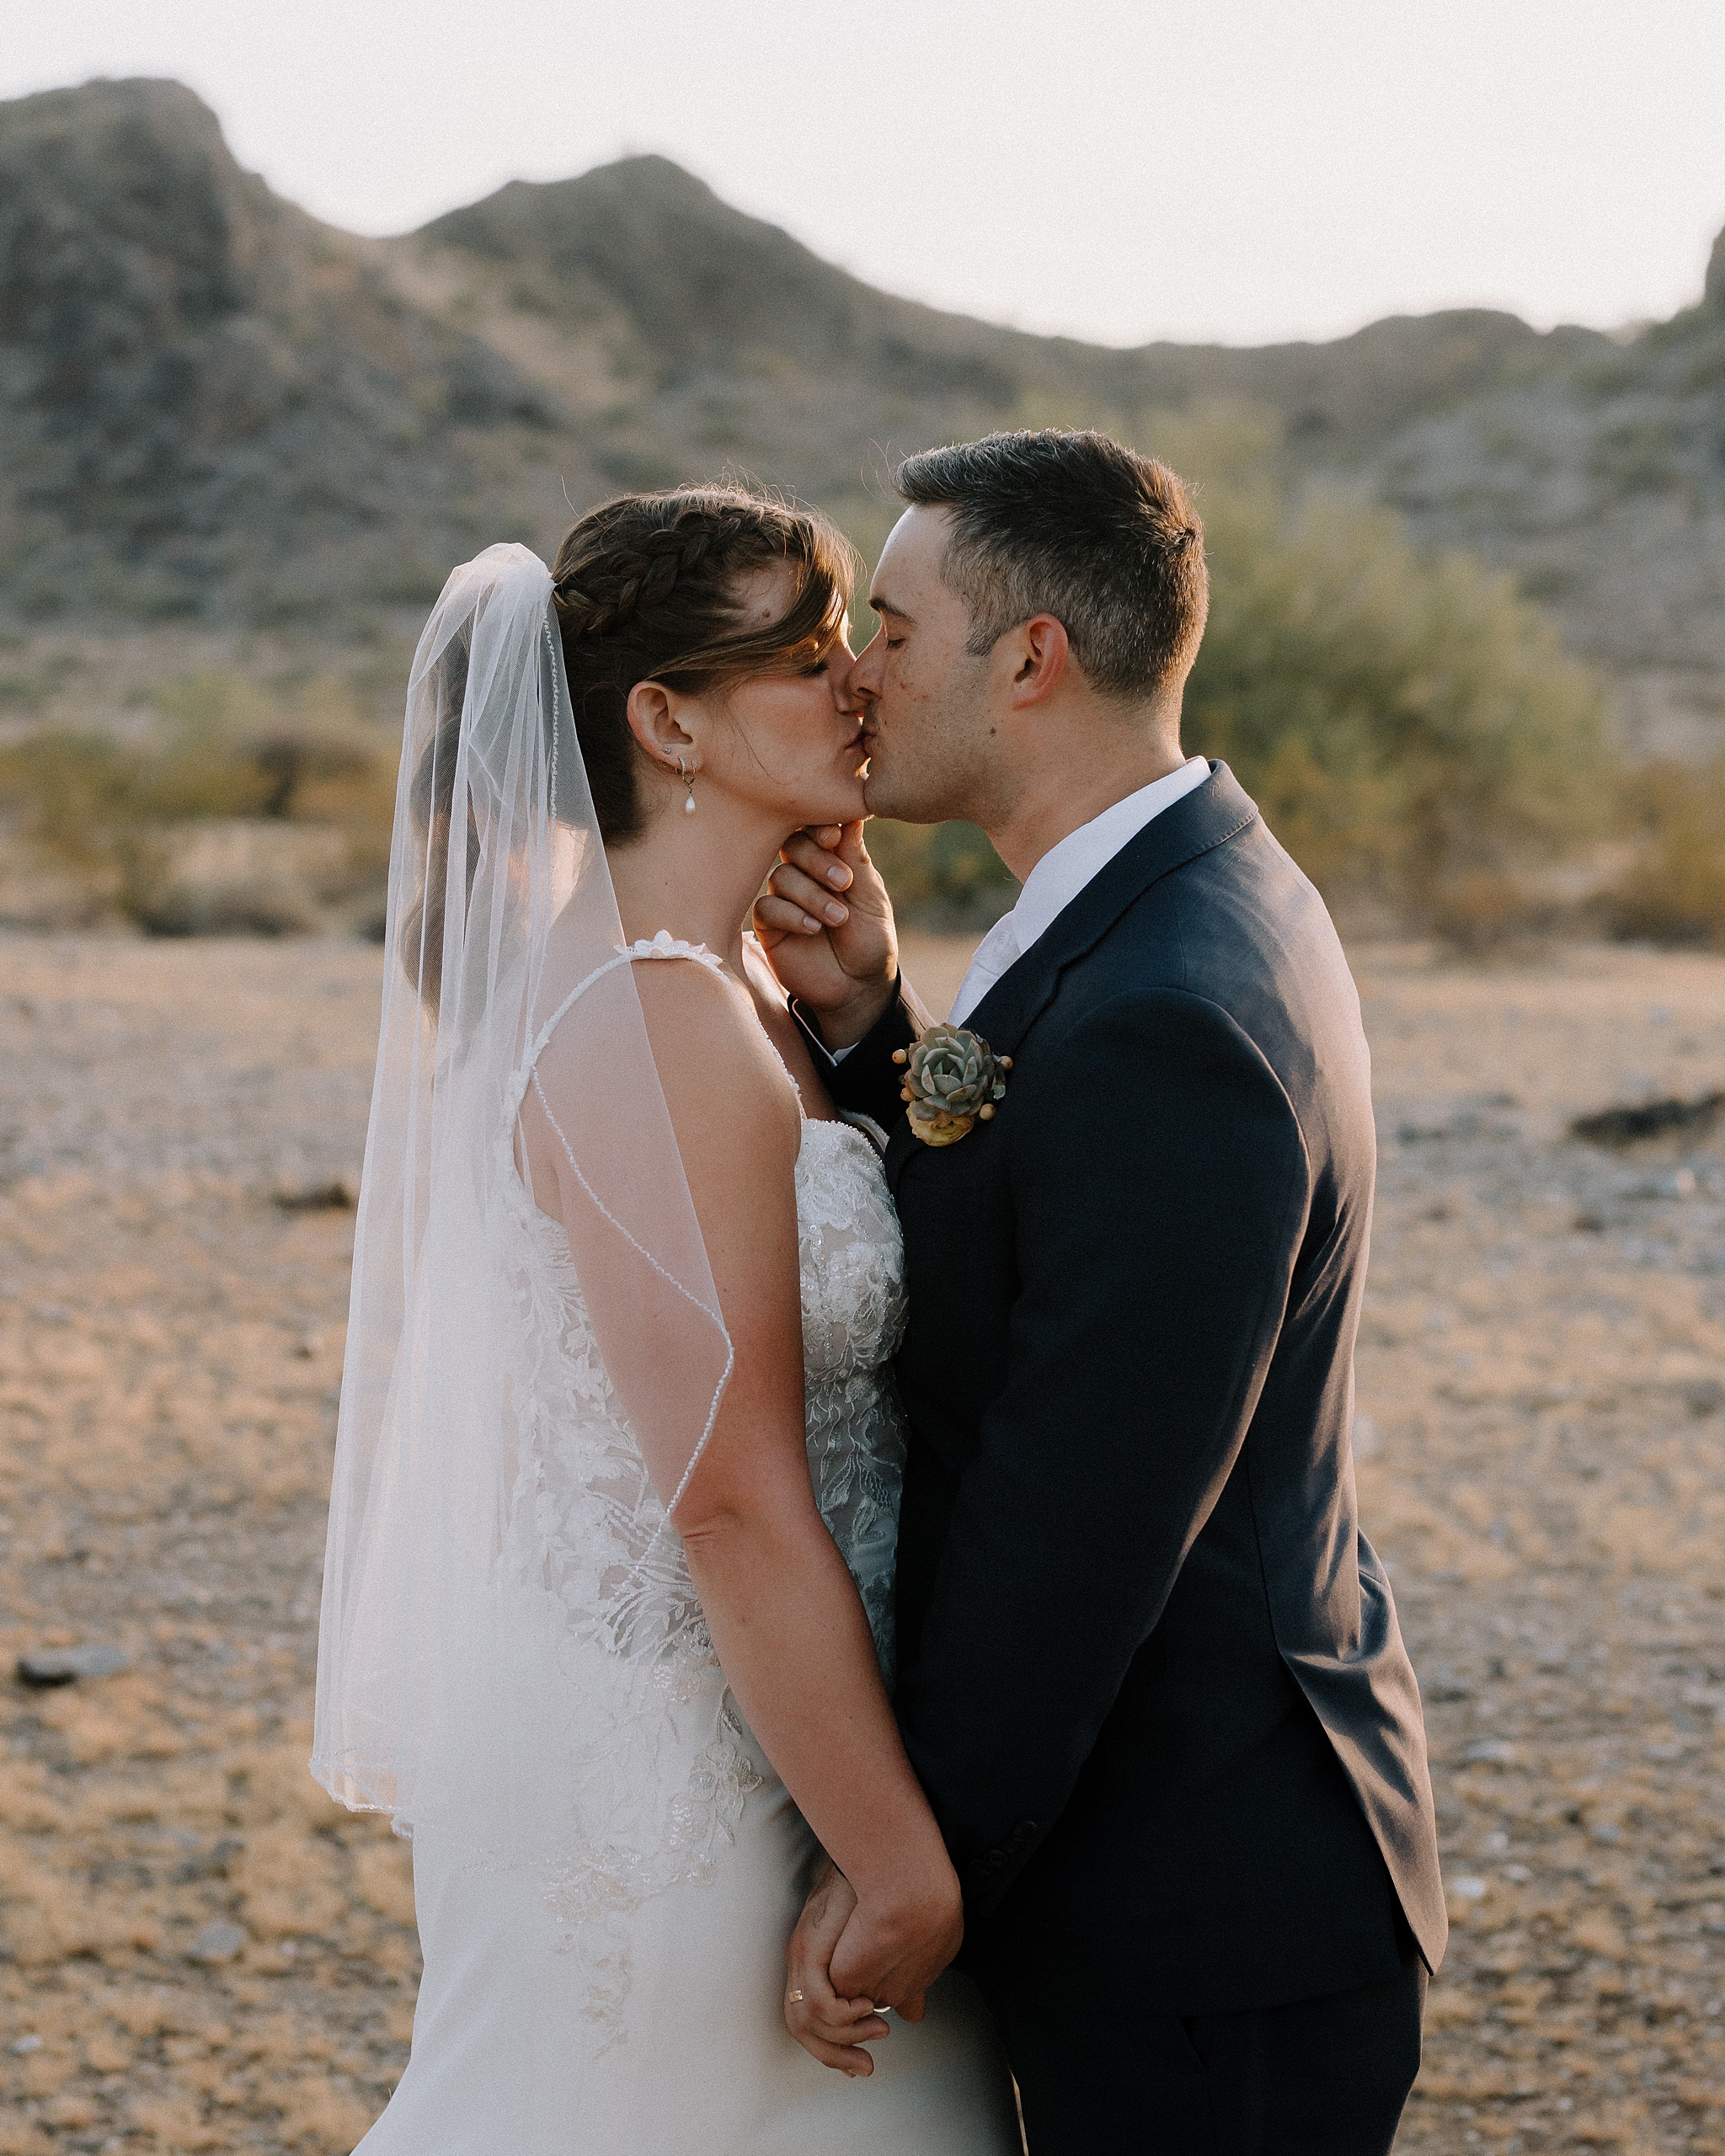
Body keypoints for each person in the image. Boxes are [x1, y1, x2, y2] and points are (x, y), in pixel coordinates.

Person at [758, 430, 1447, 2155]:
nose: (855, 671)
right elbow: (1043, 1259)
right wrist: (869, 1029)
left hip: (1204, 1909)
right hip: (1182, 1869)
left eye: (894, 629)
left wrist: (912, 1871)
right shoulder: (1164, 900)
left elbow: (1083, 1519)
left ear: (1032, 660)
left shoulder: (1165, 1002)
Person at [312, 491, 1020, 2152]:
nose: (858, 680)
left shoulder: (736, 988)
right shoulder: (652, 1014)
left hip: (774, 1728)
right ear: (667, 718)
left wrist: (861, 1016)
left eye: (858, 639)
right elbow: (723, 1492)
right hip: (658, 1774)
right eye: (806, 647)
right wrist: (899, 1850)